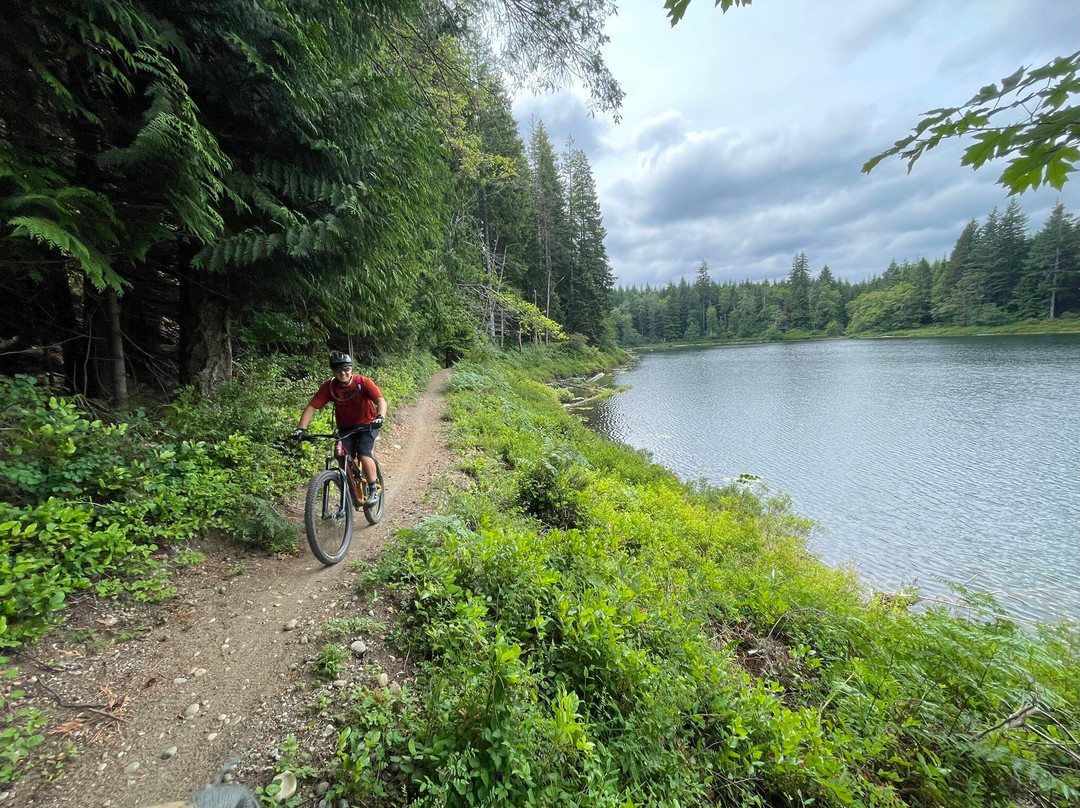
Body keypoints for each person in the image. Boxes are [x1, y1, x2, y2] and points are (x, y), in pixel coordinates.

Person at [293, 351, 386, 505]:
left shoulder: (363, 383)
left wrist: (380, 416)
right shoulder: (330, 387)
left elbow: (380, 400)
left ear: (351, 369)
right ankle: (350, 489)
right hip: (345, 428)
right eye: (338, 370)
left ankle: (373, 489)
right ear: (333, 371)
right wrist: (301, 429)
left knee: (363, 453)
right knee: (340, 456)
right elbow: (312, 407)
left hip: (367, 425)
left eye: (346, 369)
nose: (343, 373)